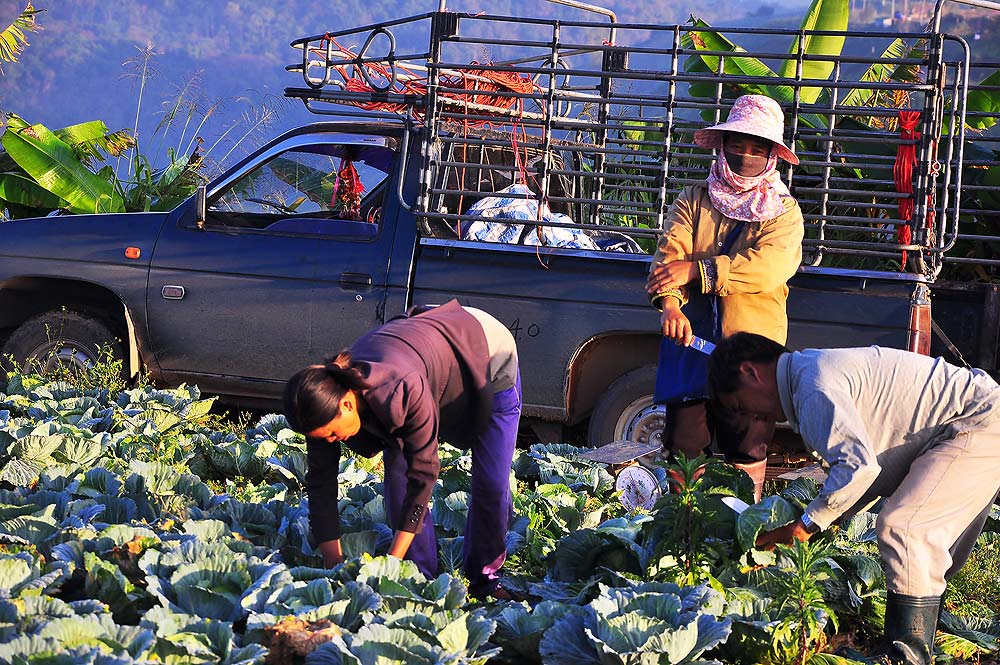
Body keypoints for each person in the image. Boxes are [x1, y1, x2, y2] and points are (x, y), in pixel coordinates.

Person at [707, 331, 1000, 665]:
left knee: (905, 528)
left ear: (749, 372)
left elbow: (859, 469)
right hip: (977, 417)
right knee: (930, 552)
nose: (749, 417)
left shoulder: (811, 386)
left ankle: (906, 656)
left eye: (739, 405)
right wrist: (828, 518)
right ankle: (915, 646)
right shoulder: (810, 374)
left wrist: (805, 526)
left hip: (975, 420)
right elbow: (871, 470)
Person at [282, 300, 521, 601]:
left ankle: (486, 581)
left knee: (491, 482)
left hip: (484, 352)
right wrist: (334, 564)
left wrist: (392, 563)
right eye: (322, 437)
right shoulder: (318, 407)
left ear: (346, 404)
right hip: (427, 355)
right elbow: (321, 483)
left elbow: (424, 475)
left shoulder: (401, 390)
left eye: (331, 433)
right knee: (398, 482)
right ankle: (419, 581)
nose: (330, 440)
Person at [645, 94, 805, 499]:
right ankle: (682, 528)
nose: (745, 155)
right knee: (683, 446)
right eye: (736, 144)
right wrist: (669, 304)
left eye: (756, 148)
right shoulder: (694, 199)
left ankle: (740, 529)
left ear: (772, 155)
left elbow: (767, 268)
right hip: (690, 343)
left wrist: (700, 271)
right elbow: (669, 256)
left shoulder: (784, 213)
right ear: (722, 145)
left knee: (746, 446)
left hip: (750, 354)